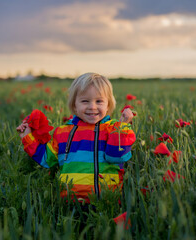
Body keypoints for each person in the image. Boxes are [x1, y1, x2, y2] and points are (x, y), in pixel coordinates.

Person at [16, 72, 136, 203]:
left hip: (107, 200)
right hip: (70, 201)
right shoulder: (62, 133)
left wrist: (122, 126)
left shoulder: (113, 129)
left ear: (108, 105)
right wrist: (27, 137)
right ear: (74, 105)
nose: (92, 106)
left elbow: (116, 156)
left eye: (99, 101)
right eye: (85, 101)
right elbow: (46, 159)